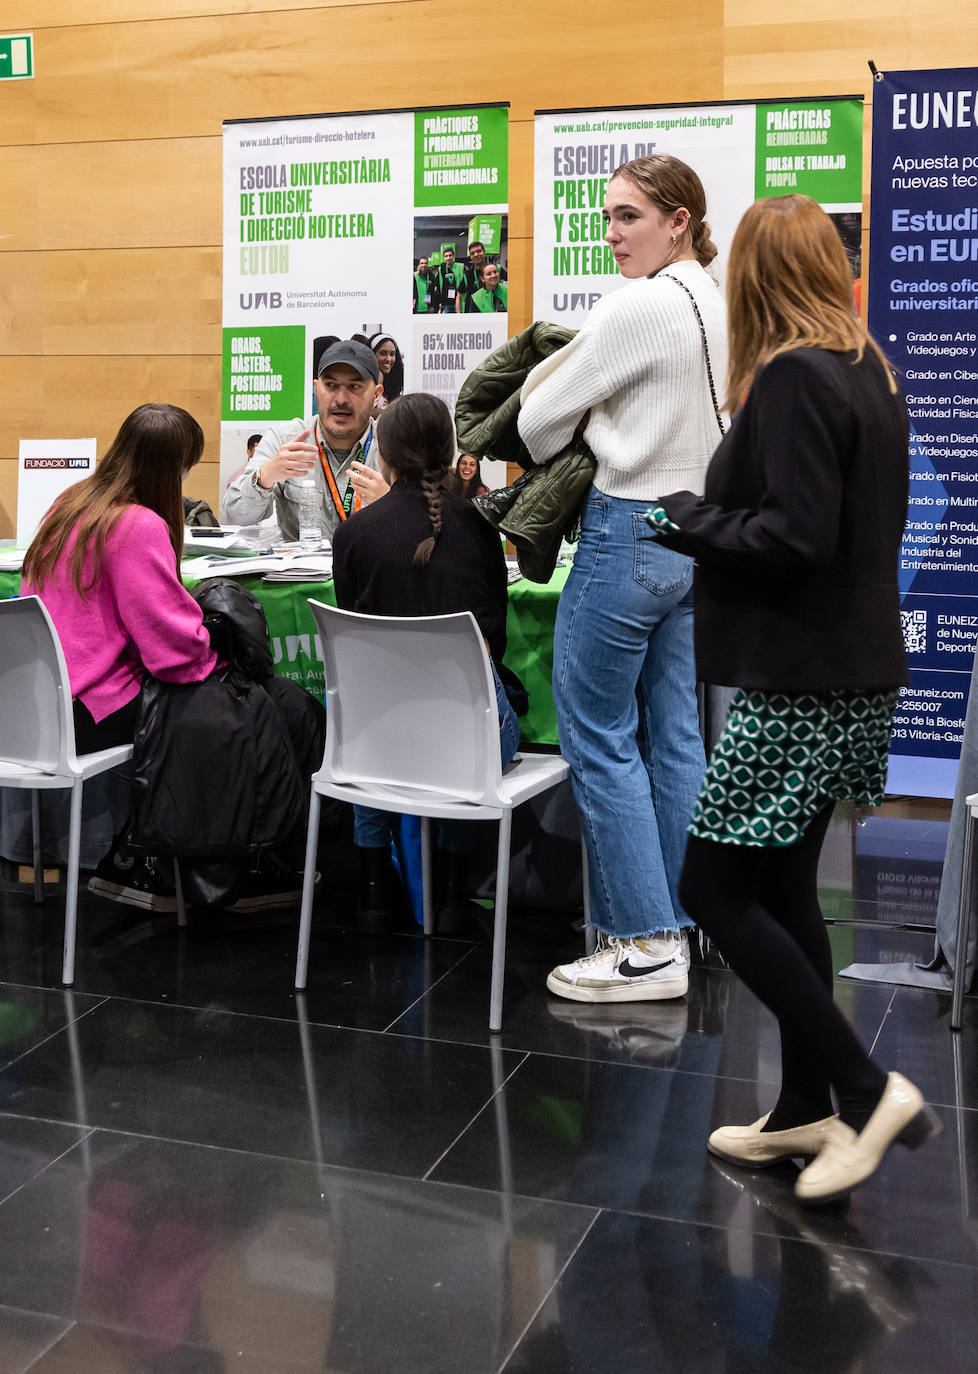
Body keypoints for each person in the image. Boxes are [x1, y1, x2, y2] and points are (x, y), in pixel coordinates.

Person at [648, 194, 937, 1205]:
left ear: (755, 280)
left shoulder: (794, 380)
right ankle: (806, 1107)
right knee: (779, 889)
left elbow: (794, 536)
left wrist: (689, 520)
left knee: (711, 890)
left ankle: (863, 1088)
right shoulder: (866, 373)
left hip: (799, 685)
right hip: (852, 676)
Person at [517, 153, 727, 1003]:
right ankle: (689, 921)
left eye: (630, 216)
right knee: (675, 736)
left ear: (679, 220)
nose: (611, 234)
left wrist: (570, 391)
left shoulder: (638, 306)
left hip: (626, 531)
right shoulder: (713, 299)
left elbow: (534, 422)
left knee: (598, 735)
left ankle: (644, 943)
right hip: (694, 541)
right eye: (607, 216)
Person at [331, 392, 518, 932]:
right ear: (450, 450)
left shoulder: (353, 535)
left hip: (379, 742)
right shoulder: (481, 529)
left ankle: (373, 889)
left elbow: (355, 645)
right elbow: (494, 644)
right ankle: (456, 891)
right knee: (476, 702)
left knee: (358, 714)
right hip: (470, 744)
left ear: (382, 450)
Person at [21, 403, 218, 753]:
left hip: (31, 704)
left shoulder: (68, 502)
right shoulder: (138, 525)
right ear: (173, 469)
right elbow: (175, 657)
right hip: (86, 709)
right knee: (238, 707)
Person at [224, 339, 389, 539]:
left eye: (354, 387)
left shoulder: (394, 444)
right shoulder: (284, 438)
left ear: (376, 394)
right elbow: (237, 514)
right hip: (299, 569)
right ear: (316, 388)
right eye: (330, 385)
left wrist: (393, 503)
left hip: (370, 568)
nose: (340, 399)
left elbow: (428, 528)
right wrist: (266, 476)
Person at [369, 332, 404, 416]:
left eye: (392, 354)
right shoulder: (374, 376)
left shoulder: (395, 380)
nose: (388, 359)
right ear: (372, 354)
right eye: (383, 353)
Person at [435, 246, 465, 313]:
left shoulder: (460, 267)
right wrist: (440, 301)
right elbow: (440, 286)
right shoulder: (441, 269)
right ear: (444, 258)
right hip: (446, 303)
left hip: (458, 301)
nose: (448, 258)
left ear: (453, 256)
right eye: (446, 256)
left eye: (450, 255)